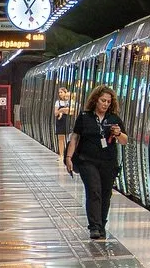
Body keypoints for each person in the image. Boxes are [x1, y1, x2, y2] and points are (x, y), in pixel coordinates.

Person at [65, 85, 128, 239]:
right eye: (103, 100)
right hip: (87, 161)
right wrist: (68, 157)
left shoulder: (114, 119)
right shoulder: (84, 117)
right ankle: (94, 226)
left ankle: (102, 224)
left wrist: (118, 133)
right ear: (95, 100)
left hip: (108, 162)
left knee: (105, 194)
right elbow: (75, 137)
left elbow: (124, 141)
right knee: (94, 190)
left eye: (108, 102)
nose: (105, 104)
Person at [53, 87, 71, 163]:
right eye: (59, 92)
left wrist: (61, 110)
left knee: (69, 138)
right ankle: (61, 155)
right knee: (60, 139)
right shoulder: (58, 102)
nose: (60, 94)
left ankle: (69, 155)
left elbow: (70, 111)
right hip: (60, 122)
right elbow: (55, 113)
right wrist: (61, 110)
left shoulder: (70, 102)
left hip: (68, 121)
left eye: (61, 92)